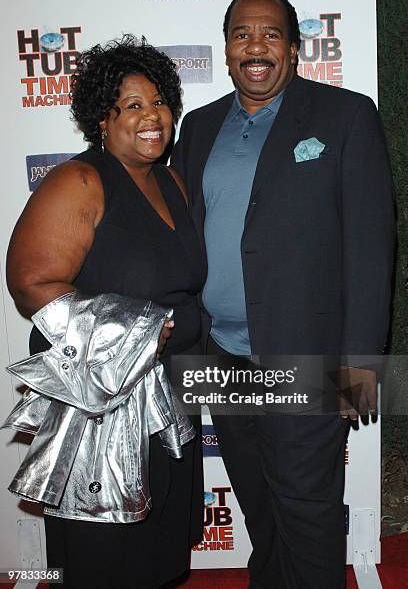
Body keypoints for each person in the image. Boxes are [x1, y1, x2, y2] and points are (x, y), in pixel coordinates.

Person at [171, 0, 395, 589]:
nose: (256, 46)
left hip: (309, 355)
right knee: (259, 505)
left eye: (271, 34)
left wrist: (361, 364)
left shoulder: (346, 116)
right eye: (243, 34)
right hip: (222, 356)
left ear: (295, 51)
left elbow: (372, 249)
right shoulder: (199, 126)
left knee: (309, 511)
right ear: (225, 50)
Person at [7, 35, 206, 589]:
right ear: (102, 118)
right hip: (103, 408)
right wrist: (131, 335)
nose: (152, 117)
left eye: (160, 102)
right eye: (133, 106)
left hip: (168, 395)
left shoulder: (171, 181)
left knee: (159, 545)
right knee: (105, 550)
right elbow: (31, 283)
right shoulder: (80, 181)